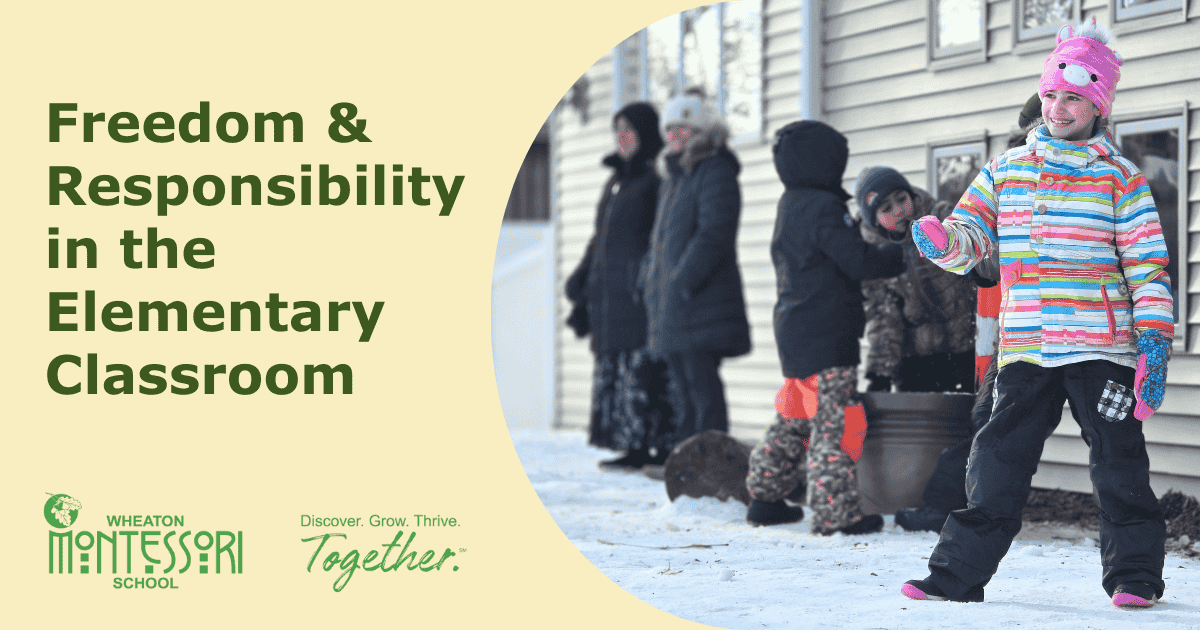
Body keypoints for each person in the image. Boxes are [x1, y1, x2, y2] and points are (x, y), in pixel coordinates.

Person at [902, 19, 1173, 609]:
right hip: (1027, 346)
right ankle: (955, 576)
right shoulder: (1007, 169)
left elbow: (1148, 267)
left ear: (1098, 105)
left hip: (1103, 347)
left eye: (1073, 97)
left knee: (1119, 464)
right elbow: (972, 235)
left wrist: (1154, 341)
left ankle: (1135, 576)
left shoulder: (1121, 179)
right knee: (995, 462)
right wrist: (944, 242)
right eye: (1050, 94)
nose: (1057, 108)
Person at [743, 120, 906, 532]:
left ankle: (765, 495)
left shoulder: (790, 204)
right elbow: (856, 260)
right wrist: (900, 253)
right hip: (827, 333)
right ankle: (835, 513)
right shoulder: (823, 208)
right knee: (834, 422)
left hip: (794, 331)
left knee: (796, 416)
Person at [893, 94, 1040, 533]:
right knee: (989, 421)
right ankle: (965, 510)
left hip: (1083, 333)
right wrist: (966, 253)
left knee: (1105, 439)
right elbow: (987, 263)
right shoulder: (1006, 181)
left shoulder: (1104, 178)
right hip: (1015, 331)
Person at [565, 102, 675, 471]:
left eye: (629, 130)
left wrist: (644, 277)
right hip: (608, 295)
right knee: (616, 368)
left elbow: (659, 237)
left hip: (636, 293)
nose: (622, 137)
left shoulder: (654, 179)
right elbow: (601, 238)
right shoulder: (615, 181)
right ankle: (629, 444)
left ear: (645, 134)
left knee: (641, 370)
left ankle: (652, 444)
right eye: (618, 130)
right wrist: (583, 275)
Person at [640, 90, 752, 445]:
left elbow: (714, 233)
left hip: (701, 298)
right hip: (674, 300)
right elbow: (662, 240)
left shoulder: (714, 171)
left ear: (700, 130)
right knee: (683, 389)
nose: (675, 135)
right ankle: (687, 456)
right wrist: (650, 278)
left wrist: (682, 280)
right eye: (669, 128)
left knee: (702, 387)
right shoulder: (675, 177)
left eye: (683, 127)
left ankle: (712, 458)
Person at [857, 167, 979, 394]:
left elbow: (980, 265)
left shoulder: (943, 220)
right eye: (886, 208)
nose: (898, 210)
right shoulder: (873, 256)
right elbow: (883, 315)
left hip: (967, 349)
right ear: (874, 221)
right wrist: (880, 372)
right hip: (916, 360)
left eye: (901, 199)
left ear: (911, 196)